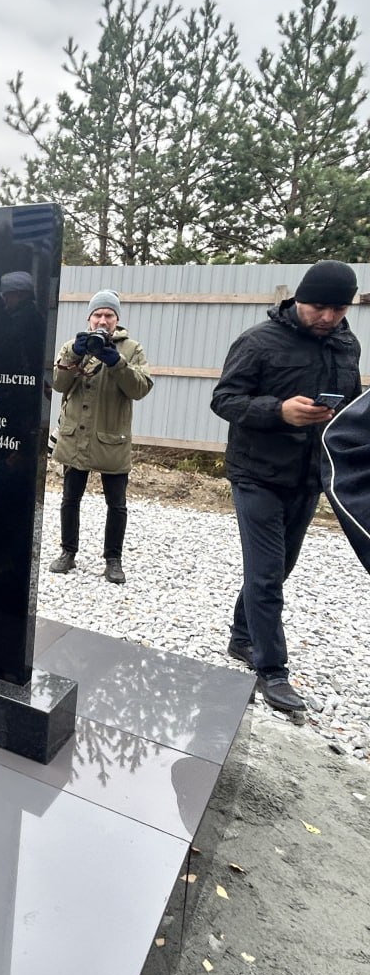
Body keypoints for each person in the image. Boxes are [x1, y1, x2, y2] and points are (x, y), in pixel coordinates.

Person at [211, 260, 362, 716]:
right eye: (319, 307)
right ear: (299, 298)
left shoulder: (345, 344)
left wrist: (340, 416)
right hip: (256, 473)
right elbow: (224, 399)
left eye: (339, 309)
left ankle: (242, 635)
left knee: (280, 568)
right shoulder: (258, 341)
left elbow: (352, 401)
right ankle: (272, 670)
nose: (328, 318)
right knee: (265, 573)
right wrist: (279, 411)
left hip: (308, 475)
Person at [49, 289, 153, 584]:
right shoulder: (73, 345)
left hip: (112, 437)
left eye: (109, 315)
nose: (103, 321)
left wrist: (115, 361)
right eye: (98, 315)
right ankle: (67, 552)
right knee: (70, 498)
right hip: (75, 435)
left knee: (116, 504)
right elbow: (58, 384)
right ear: (89, 318)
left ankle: (113, 560)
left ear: (117, 320)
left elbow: (140, 389)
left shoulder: (132, 349)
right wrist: (75, 354)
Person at [322, 385, 370, 576]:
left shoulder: (347, 353)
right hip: (260, 472)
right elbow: (343, 440)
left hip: (307, 480)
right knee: (267, 574)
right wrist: (279, 410)